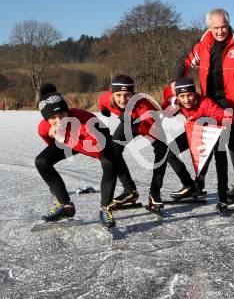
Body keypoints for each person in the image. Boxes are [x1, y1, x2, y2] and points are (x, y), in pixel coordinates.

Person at [174, 8, 234, 202]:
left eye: (224, 27)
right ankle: (198, 183)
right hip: (208, 104)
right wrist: (177, 86)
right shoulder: (202, 45)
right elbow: (183, 62)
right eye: (216, 27)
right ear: (209, 27)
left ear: (229, 25)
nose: (220, 31)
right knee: (204, 143)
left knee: (232, 144)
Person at [98, 75, 195, 211]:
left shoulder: (144, 105)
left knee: (162, 152)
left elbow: (150, 120)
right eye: (118, 95)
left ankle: (156, 192)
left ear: (133, 94)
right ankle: (130, 191)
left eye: (127, 95)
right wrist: (103, 110)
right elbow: (102, 103)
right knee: (113, 150)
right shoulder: (106, 98)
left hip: (149, 125)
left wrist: (132, 118)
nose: (122, 99)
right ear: (112, 93)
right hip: (128, 124)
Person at [35, 83, 118, 228]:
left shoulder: (85, 125)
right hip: (72, 141)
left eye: (61, 114)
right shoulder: (44, 127)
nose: (59, 120)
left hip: (98, 142)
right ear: (46, 120)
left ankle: (105, 207)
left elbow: (97, 150)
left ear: (67, 112)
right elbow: (50, 143)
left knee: (110, 164)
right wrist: (59, 137)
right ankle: (65, 205)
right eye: (53, 118)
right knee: (42, 161)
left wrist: (70, 136)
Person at [167, 77, 234, 214]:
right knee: (169, 151)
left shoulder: (205, 103)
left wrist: (210, 120)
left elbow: (228, 117)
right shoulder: (176, 102)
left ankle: (223, 195)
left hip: (213, 132)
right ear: (177, 97)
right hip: (194, 132)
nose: (187, 100)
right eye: (182, 96)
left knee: (219, 158)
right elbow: (165, 102)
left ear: (195, 93)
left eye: (190, 95)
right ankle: (190, 185)